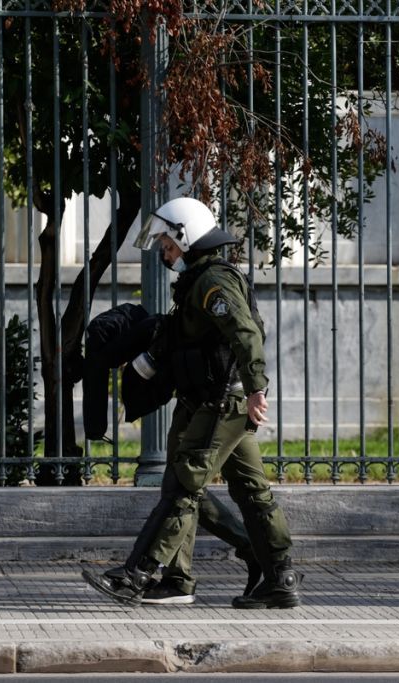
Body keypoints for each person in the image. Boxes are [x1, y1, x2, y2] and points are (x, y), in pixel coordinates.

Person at [82, 197, 302, 609]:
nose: (165, 253)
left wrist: (257, 387)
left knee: (184, 487)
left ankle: (138, 573)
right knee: (250, 490)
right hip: (211, 401)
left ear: (186, 237)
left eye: (167, 244)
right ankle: (276, 576)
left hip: (224, 403)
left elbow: (246, 332)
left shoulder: (213, 282)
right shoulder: (196, 281)